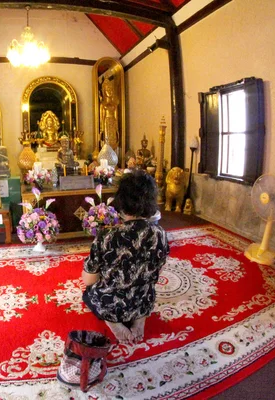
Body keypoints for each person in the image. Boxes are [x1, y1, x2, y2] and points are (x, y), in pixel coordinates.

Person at [82, 170, 170, 344]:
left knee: (88, 294)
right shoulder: (160, 233)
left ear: (122, 201)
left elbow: (89, 280)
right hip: (142, 300)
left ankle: (113, 321)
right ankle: (140, 317)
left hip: (112, 305)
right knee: (145, 287)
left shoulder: (107, 236)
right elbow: (158, 270)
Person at [99, 78, 119, 150]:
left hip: (113, 122)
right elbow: (102, 118)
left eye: (111, 90)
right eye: (107, 90)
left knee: (113, 140)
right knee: (106, 140)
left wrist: (116, 128)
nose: (109, 91)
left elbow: (116, 118)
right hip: (106, 122)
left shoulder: (114, 104)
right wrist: (102, 129)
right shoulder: (103, 104)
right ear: (104, 91)